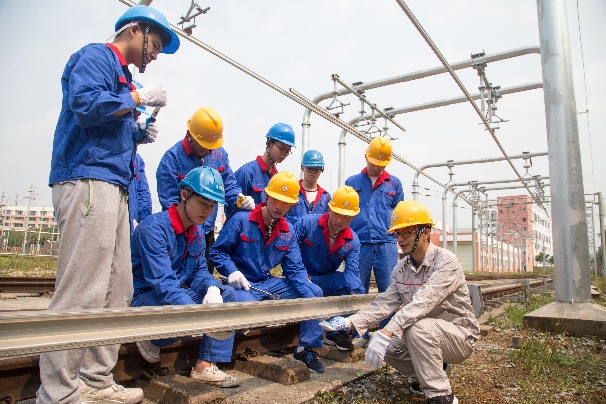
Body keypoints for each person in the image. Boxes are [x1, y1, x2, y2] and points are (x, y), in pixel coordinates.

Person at [40, 5, 179, 404]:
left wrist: (137, 131)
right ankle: (59, 394)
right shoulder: (96, 56)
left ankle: (95, 381)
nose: (156, 54)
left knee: (117, 291)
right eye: (156, 44)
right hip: (86, 180)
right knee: (81, 291)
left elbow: (107, 125)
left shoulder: (120, 75)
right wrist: (135, 96)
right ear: (134, 31)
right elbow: (85, 108)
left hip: (113, 185)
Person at [321, 201, 480, 404]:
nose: (401, 239)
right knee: (386, 345)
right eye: (398, 234)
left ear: (425, 232)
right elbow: (385, 303)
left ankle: (441, 395)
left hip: (459, 336)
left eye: (407, 233)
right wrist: (352, 322)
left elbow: (424, 302)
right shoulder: (401, 268)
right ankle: (433, 371)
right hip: (423, 335)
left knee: (412, 328)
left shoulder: (446, 262)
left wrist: (387, 331)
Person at [131, 166, 240, 387]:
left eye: (212, 206)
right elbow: (163, 284)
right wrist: (201, 315)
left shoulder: (197, 231)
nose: (206, 212)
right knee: (192, 310)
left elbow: (200, 270)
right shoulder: (154, 229)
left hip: (175, 293)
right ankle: (150, 336)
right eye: (202, 203)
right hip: (147, 297)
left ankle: (205, 366)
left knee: (227, 294)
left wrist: (211, 288)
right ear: (184, 195)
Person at [209, 171, 326, 373]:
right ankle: (216, 359)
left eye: (285, 203)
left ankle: (305, 348)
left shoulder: (287, 231)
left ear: (292, 206)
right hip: (240, 284)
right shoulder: (241, 220)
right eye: (275, 200)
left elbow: (296, 270)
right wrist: (231, 271)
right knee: (245, 305)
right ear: (266, 196)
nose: (279, 206)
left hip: (266, 283)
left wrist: (313, 305)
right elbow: (217, 252)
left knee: (315, 292)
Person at [156, 107, 254, 272]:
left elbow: (228, 183)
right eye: (204, 145)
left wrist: (239, 199)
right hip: (180, 233)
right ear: (190, 135)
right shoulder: (171, 159)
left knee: (202, 276)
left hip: (207, 230)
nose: (207, 150)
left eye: (211, 146)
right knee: (180, 276)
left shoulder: (218, 154)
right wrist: (190, 228)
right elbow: (170, 201)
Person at [293, 185, 363, 351]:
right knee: (312, 291)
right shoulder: (307, 224)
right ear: (329, 208)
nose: (340, 220)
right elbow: (289, 252)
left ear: (353, 217)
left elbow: (352, 272)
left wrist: (356, 295)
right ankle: (307, 346)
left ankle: (336, 332)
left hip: (324, 279)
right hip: (298, 277)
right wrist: (300, 275)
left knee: (346, 285)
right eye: (337, 213)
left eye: (346, 217)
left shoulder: (352, 241)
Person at [228, 123, 296, 218]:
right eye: (281, 149)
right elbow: (231, 208)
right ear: (269, 144)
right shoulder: (247, 173)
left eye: (287, 151)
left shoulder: (277, 178)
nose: (284, 154)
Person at [128, 80, 153, 235]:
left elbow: (142, 192)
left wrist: (145, 219)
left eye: (138, 114)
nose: (137, 118)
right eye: (134, 113)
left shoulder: (137, 161)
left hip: (130, 223)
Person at [285, 149, 331, 225]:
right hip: (291, 235)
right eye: (309, 168)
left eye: (316, 169)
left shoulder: (325, 197)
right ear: (302, 168)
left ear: (321, 170)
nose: (312, 172)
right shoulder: (291, 190)